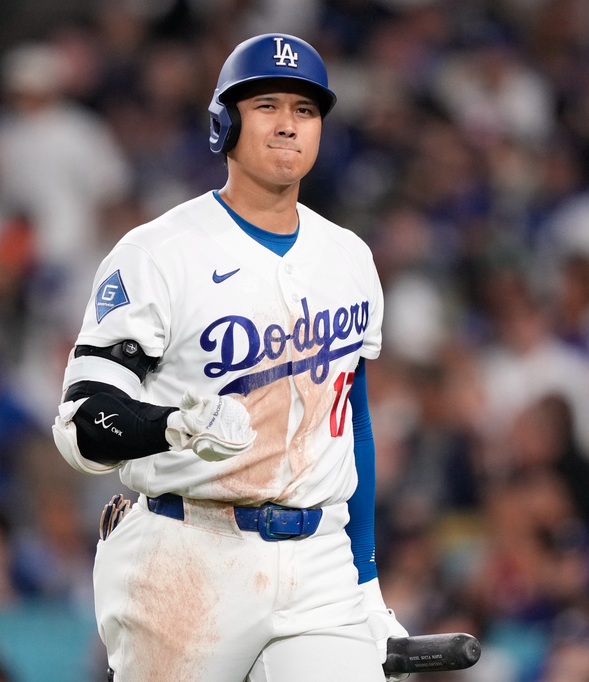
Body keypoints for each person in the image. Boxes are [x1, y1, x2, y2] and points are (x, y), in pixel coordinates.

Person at [51, 33, 409, 682]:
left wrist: (367, 584)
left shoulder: (350, 257)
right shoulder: (160, 251)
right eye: (266, 104)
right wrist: (171, 426)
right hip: (184, 549)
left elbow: (351, 424)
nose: (287, 125)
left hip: (318, 561)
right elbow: (81, 423)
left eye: (305, 110)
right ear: (224, 122)